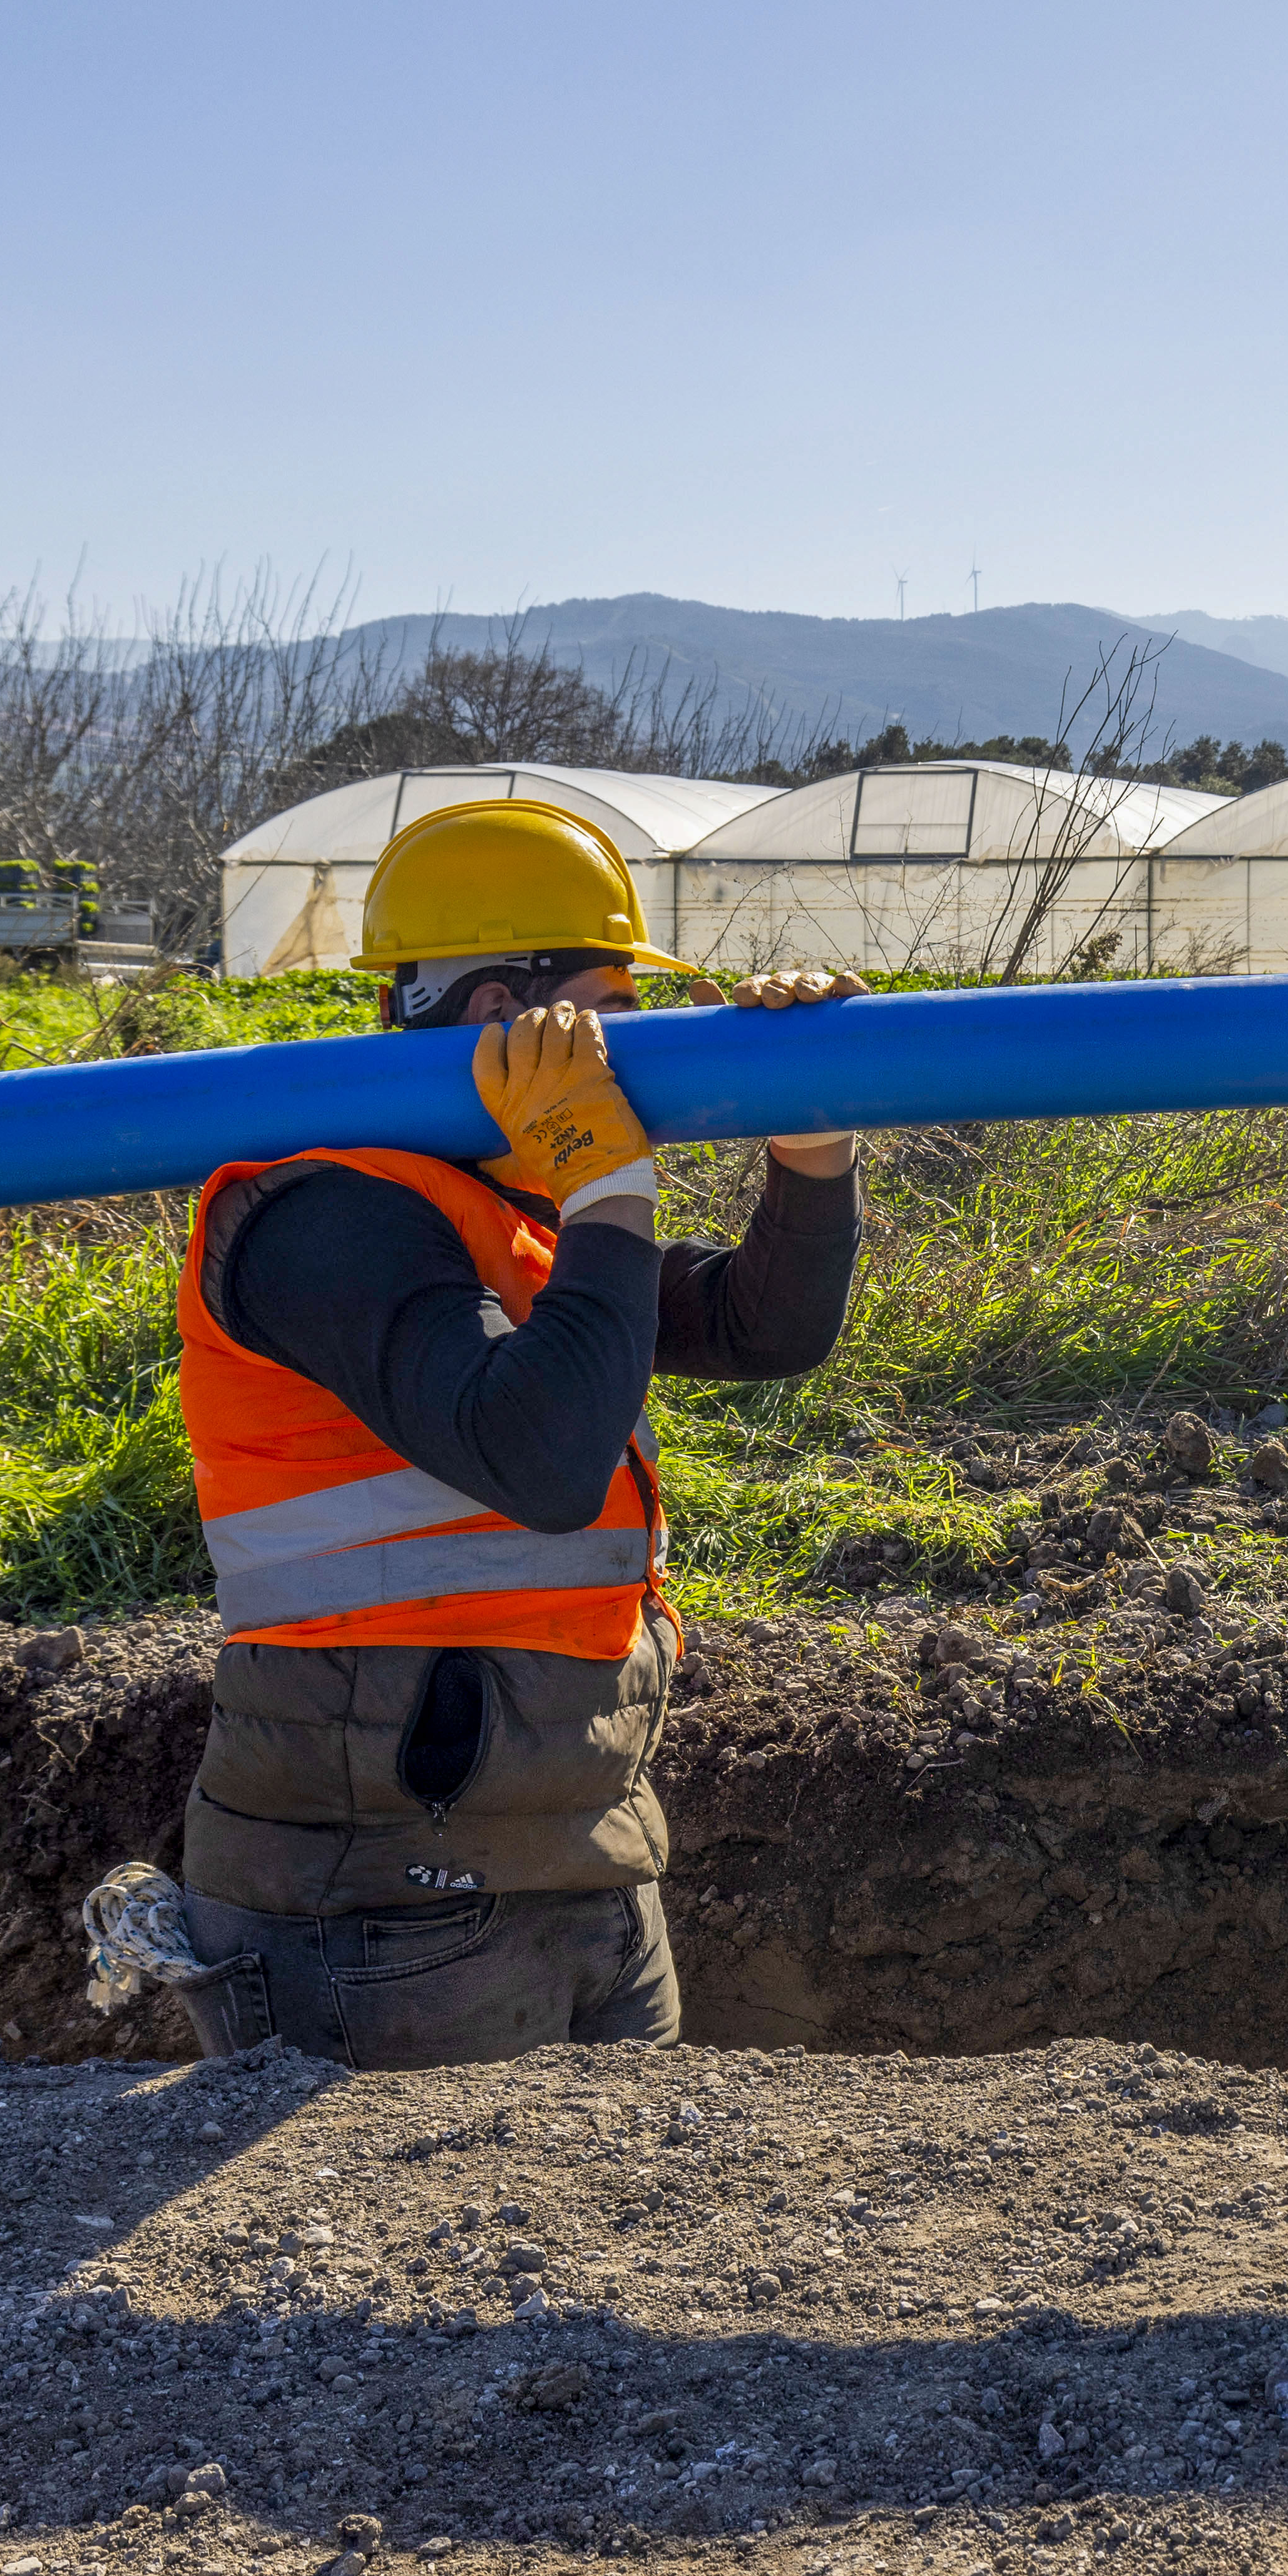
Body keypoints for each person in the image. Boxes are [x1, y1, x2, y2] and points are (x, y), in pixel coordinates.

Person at [161, 795, 866, 2068]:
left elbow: (762, 1329)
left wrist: (809, 1148)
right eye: (619, 1005)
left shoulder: (514, 1214)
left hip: (577, 1848)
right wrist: (606, 1180)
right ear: (503, 1012)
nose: (650, 1043)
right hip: (374, 1896)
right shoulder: (326, 1216)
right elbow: (540, 1456)